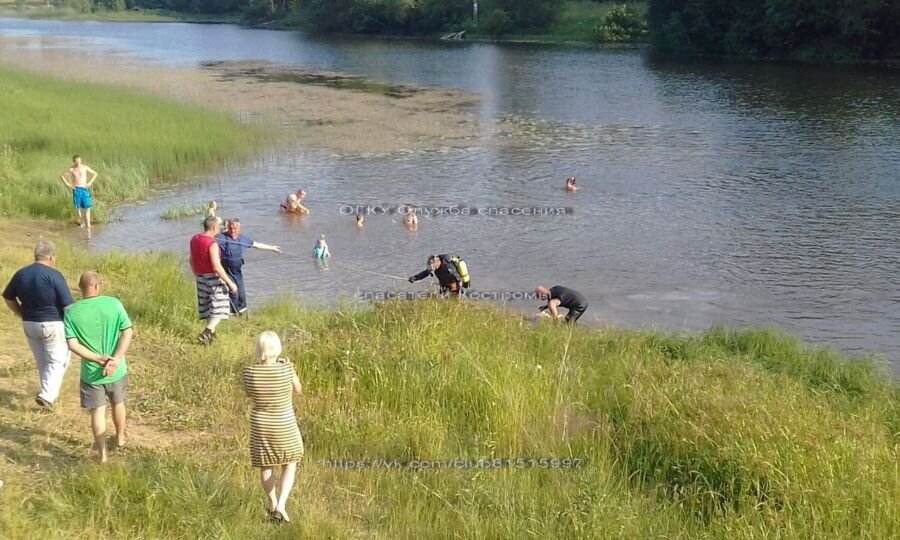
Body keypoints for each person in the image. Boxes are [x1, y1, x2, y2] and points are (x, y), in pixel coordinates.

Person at [64, 272, 133, 464]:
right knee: (118, 404)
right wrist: (116, 358)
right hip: (117, 369)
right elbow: (127, 332)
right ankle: (120, 438)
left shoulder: (71, 312)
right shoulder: (114, 304)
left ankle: (102, 455)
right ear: (98, 286)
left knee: (98, 412)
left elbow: (72, 344)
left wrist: (97, 358)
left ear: (80, 288)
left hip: (92, 374)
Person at [2, 241, 74, 409]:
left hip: (29, 323)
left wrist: (20, 313)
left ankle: (46, 393)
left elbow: (7, 296)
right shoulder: (54, 275)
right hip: (52, 323)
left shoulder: (21, 274)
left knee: (42, 361)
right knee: (58, 361)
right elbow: (68, 306)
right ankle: (47, 395)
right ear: (51, 257)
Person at [242, 331, 304, 523]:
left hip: (261, 424)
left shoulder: (249, 372)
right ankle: (281, 506)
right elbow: (298, 389)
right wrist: (287, 369)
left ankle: (272, 502)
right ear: (277, 349)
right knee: (290, 461)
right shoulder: (287, 369)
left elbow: (249, 394)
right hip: (284, 422)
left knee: (265, 464)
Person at [217, 219, 281, 315]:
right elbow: (208, 244)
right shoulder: (221, 238)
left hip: (237, 272)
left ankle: (241, 314)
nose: (233, 231)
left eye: (235, 228)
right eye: (230, 228)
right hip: (226, 271)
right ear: (227, 228)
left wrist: (272, 248)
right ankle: (232, 314)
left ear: (239, 228)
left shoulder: (243, 239)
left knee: (241, 295)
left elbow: (257, 245)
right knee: (233, 291)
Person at [190, 216, 239, 344]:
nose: (220, 228)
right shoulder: (212, 243)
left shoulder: (195, 239)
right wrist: (230, 283)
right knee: (221, 306)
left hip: (199, 276)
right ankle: (207, 331)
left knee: (208, 306)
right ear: (213, 227)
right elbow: (217, 266)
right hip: (212, 276)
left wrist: (195, 272)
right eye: (218, 226)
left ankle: (211, 336)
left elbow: (190, 259)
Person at [59, 155, 98, 228]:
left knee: (87, 206)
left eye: (79, 161)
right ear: (74, 161)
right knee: (78, 207)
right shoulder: (72, 169)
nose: (78, 163)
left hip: (84, 188)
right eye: (76, 162)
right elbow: (62, 176)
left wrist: (90, 182)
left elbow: (95, 173)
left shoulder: (85, 167)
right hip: (76, 189)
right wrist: (68, 184)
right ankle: (82, 222)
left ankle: (88, 224)